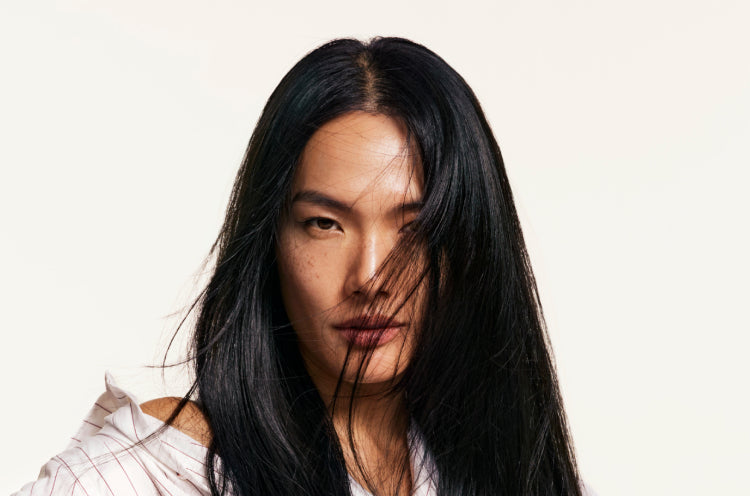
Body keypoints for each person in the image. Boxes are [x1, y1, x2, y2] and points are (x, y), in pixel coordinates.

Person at [14, 37, 585, 496]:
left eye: (415, 229)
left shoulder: (503, 468)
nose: (370, 277)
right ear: (271, 241)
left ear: (470, 246)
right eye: (325, 224)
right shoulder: (154, 474)